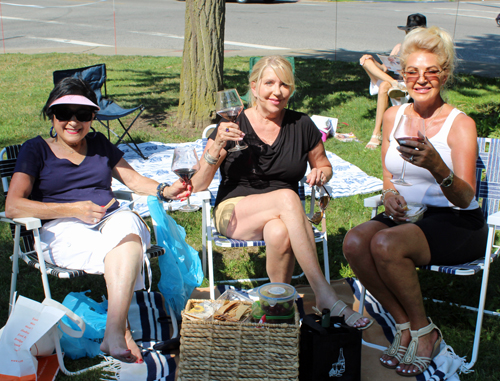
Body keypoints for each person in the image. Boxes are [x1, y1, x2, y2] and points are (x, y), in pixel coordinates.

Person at [5, 77, 191, 364]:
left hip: (111, 218)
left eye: (83, 114)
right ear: (51, 115)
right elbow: (14, 205)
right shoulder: (36, 149)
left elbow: (133, 180)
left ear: (93, 117)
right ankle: (121, 331)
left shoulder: (99, 144)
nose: (73, 122)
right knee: (123, 249)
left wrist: (165, 190)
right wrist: (72, 209)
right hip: (61, 228)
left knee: (128, 225)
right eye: (64, 113)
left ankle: (113, 332)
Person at [343, 26, 488, 376]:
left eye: (431, 72)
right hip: (409, 218)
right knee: (354, 241)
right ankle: (404, 324)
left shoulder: (460, 124)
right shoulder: (393, 117)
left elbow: (466, 197)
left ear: (445, 75)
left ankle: (426, 333)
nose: (421, 80)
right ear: (402, 76)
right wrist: (390, 195)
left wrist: (437, 166)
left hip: (458, 222)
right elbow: (390, 175)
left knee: (386, 243)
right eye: (412, 72)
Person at [191, 55, 373, 330]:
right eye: (269, 83)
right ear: (253, 87)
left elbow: (323, 164)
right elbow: (199, 183)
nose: (277, 91)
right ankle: (325, 295)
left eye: (285, 85)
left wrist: (320, 173)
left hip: (285, 217)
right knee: (289, 197)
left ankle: (276, 308)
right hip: (236, 212)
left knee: (279, 230)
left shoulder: (301, 125)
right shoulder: (230, 125)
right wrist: (216, 144)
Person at [361, 13, 427, 149]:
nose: (409, 34)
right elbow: (385, 68)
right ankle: (392, 82)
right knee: (366, 61)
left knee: (385, 85)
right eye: (408, 31)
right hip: (394, 80)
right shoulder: (399, 47)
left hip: (407, 82)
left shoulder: (423, 50)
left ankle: (376, 134)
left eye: (413, 32)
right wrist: (373, 60)